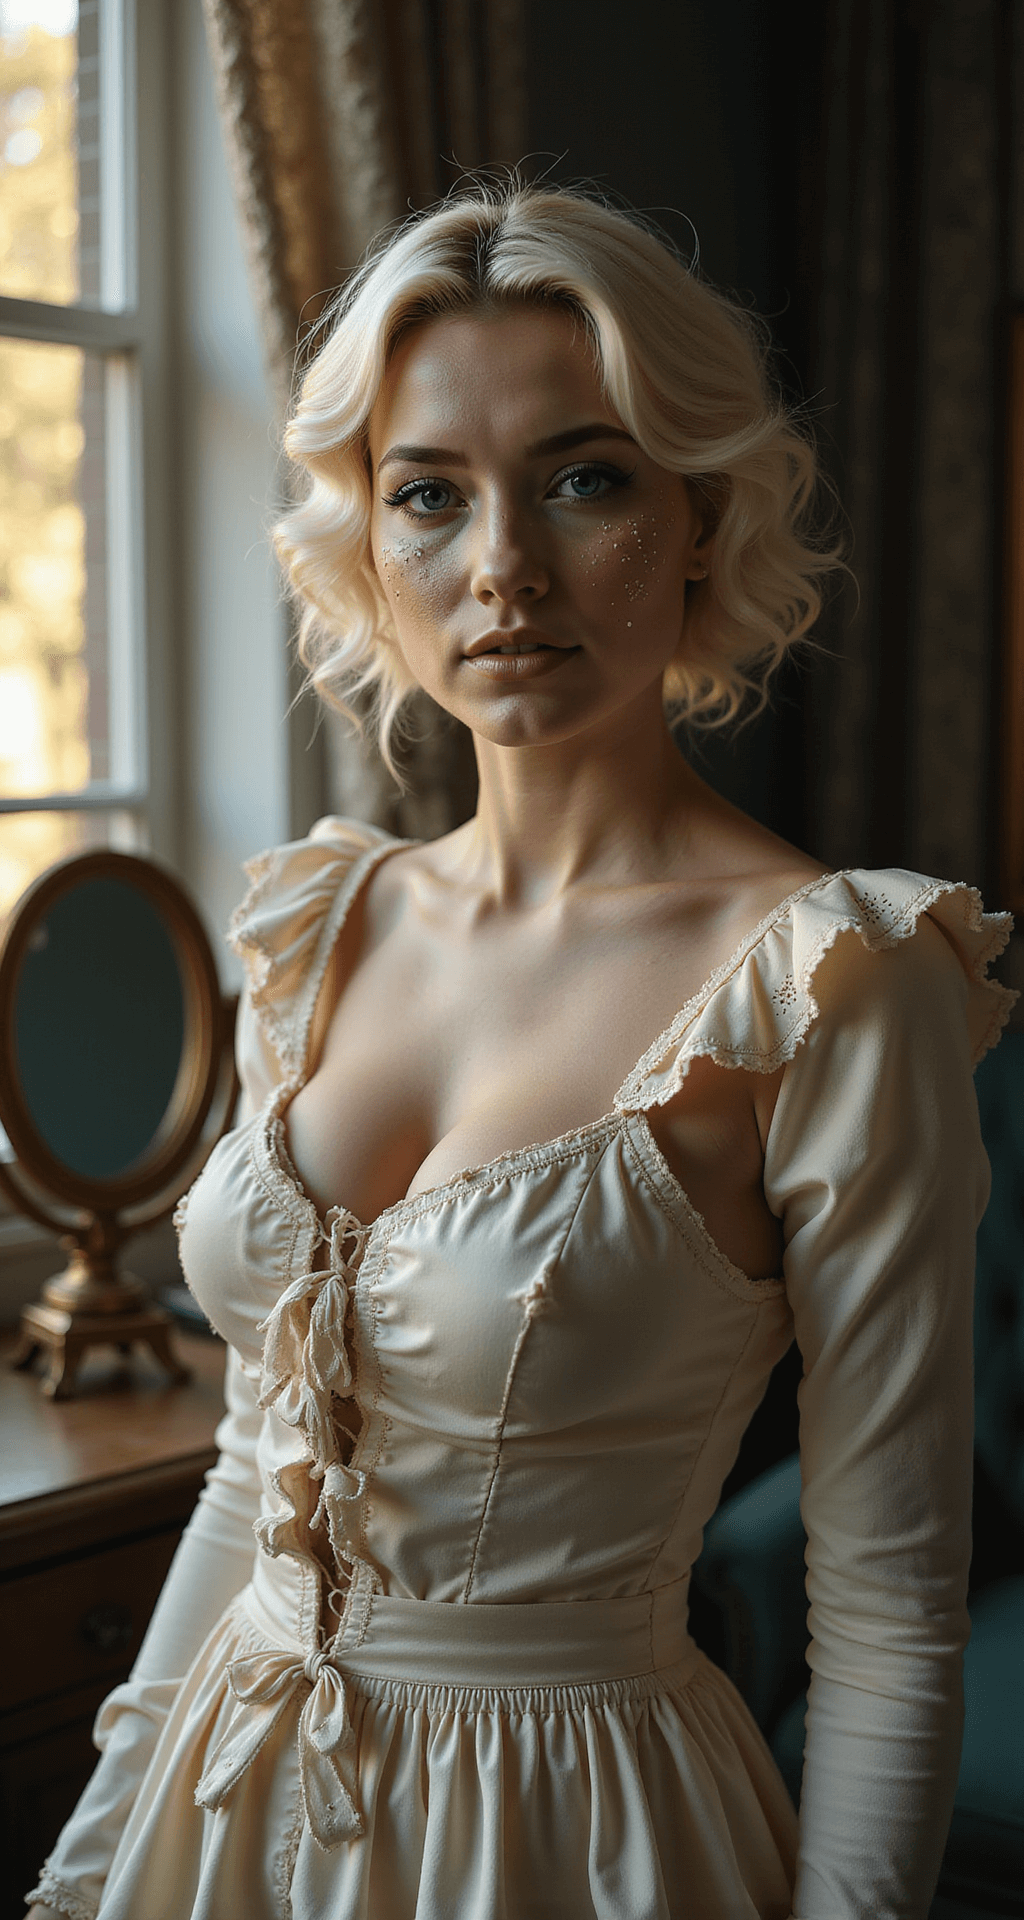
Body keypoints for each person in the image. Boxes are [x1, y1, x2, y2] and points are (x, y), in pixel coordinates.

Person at [27, 181, 1015, 1920]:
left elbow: (884, 1606)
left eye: (583, 477)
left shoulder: (833, 981)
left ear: (698, 515)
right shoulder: (324, 925)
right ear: (369, 544)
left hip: (568, 1836)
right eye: (429, 495)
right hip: (227, 1816)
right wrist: (94, 1863)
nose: (502, 569)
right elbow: (263, 1472)